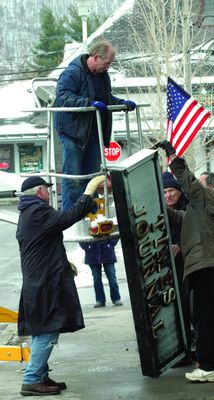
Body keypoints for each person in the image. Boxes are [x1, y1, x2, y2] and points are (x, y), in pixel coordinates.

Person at [16, 174, 105, 396]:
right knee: (47, 331)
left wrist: (64, 264)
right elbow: (66, 219)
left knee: (43, 329)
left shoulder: (30, 213)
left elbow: (46, 243)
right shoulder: (38, 211)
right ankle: (32, 379)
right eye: (46, 189)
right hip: (44, 283)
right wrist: (87, 193)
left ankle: (40, 376)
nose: (49, 192)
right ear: (39, 192)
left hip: (40, 281)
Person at [156, 139, 214, 383]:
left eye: (201, 183)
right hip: (210, 267)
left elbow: (187, 180)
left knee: (205, 319)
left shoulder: (210, 199)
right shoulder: (202, 212)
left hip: (207, 267)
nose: (193, 188)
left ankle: (207, 367)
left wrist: (172, 156)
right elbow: (178, 217)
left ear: (212, 188)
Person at [54, 39, 136, 210]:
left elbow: (105, 100)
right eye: (107, 63)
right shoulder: (73, 73)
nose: (107, 67)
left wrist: (122, 104)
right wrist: (88, 103)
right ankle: (71, 217)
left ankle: (92, 215)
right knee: (74, 178)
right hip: (73, 133)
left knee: (93, 178)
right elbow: (62, 97)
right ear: (96, 57)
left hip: (93, 133)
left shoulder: (102, 76)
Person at [162, 171, 193, 366]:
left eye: (171, 190)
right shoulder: (160, 210)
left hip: (188, 268)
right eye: (164, 192)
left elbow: (197, 233)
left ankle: (188, 350)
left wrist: (180, 245)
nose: (168, 195)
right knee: (174, 309)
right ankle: (179, 350)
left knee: (188, 309)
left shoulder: (189, 209)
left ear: (180, 191)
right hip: (168, 269)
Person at [80, 239, 122, 308]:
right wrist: (87, 247)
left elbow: (115, 231)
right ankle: (100, 300)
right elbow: (81, 235)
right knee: (96, 278)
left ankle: (116, 298)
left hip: (107, 250)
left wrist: (111, 244)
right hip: (92, 252)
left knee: (112, 276)